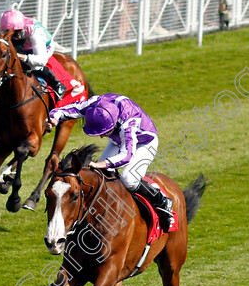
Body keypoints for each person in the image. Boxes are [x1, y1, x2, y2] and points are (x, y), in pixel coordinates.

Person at [45, 93, 175, 230]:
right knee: (100, 176)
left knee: (129, 179)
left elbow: (126, 155)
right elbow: (70, 109)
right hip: (117, 140)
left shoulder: (129, 120)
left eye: (104, 132)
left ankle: (161, 200)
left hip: (144, 143)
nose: (101, 137)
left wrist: (101, 163)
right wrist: (54, 118)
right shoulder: (94, 104)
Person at [0, 8, 67, 100]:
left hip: (44, 46)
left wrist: (19, 56)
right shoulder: (3, 31)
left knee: (33, 65)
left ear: (23, 28)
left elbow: (41, 60)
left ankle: (57, 84)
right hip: (24, 47)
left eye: (17, 33)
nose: (15, 38)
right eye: (10, 34)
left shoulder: (35, 31)